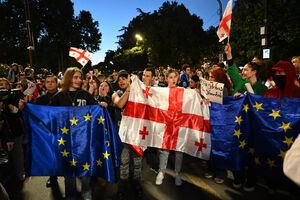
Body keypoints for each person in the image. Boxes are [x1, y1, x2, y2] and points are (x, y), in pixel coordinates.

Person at [49, 67, 98, 200]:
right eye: (75, 77)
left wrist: (102, 105)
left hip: (84, 140)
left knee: (85, 170)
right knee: (69, 173)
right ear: (68, 78)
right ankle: (70, 196)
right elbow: (48, 116)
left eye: (80, 77)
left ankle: (86, 193)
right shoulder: (58, 97)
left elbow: (96, 110)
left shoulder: (85, 95)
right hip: (65, 142)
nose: (79, 80)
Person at [112, 70, 143, 200]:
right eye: (119, 80)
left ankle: (136, 185)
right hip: (123, 135)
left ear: (129, 80)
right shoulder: (116, 94)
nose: (121, 82)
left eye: (124, 79)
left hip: (137, 134)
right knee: (124, 162)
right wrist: (129, 90)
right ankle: (122, 187)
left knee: (137, 162)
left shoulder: (139, 94)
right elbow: (119, 104)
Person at [155, 68, 184, 186]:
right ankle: (161, 171)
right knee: (165, 148)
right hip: (166, 123)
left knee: (179, 150)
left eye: (175, 77)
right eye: (170, 77)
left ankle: (178, 173)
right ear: (166, 79)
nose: (173, 79)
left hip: (179, 123)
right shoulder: (162, 92)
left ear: (178, 79)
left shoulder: (184, 91)